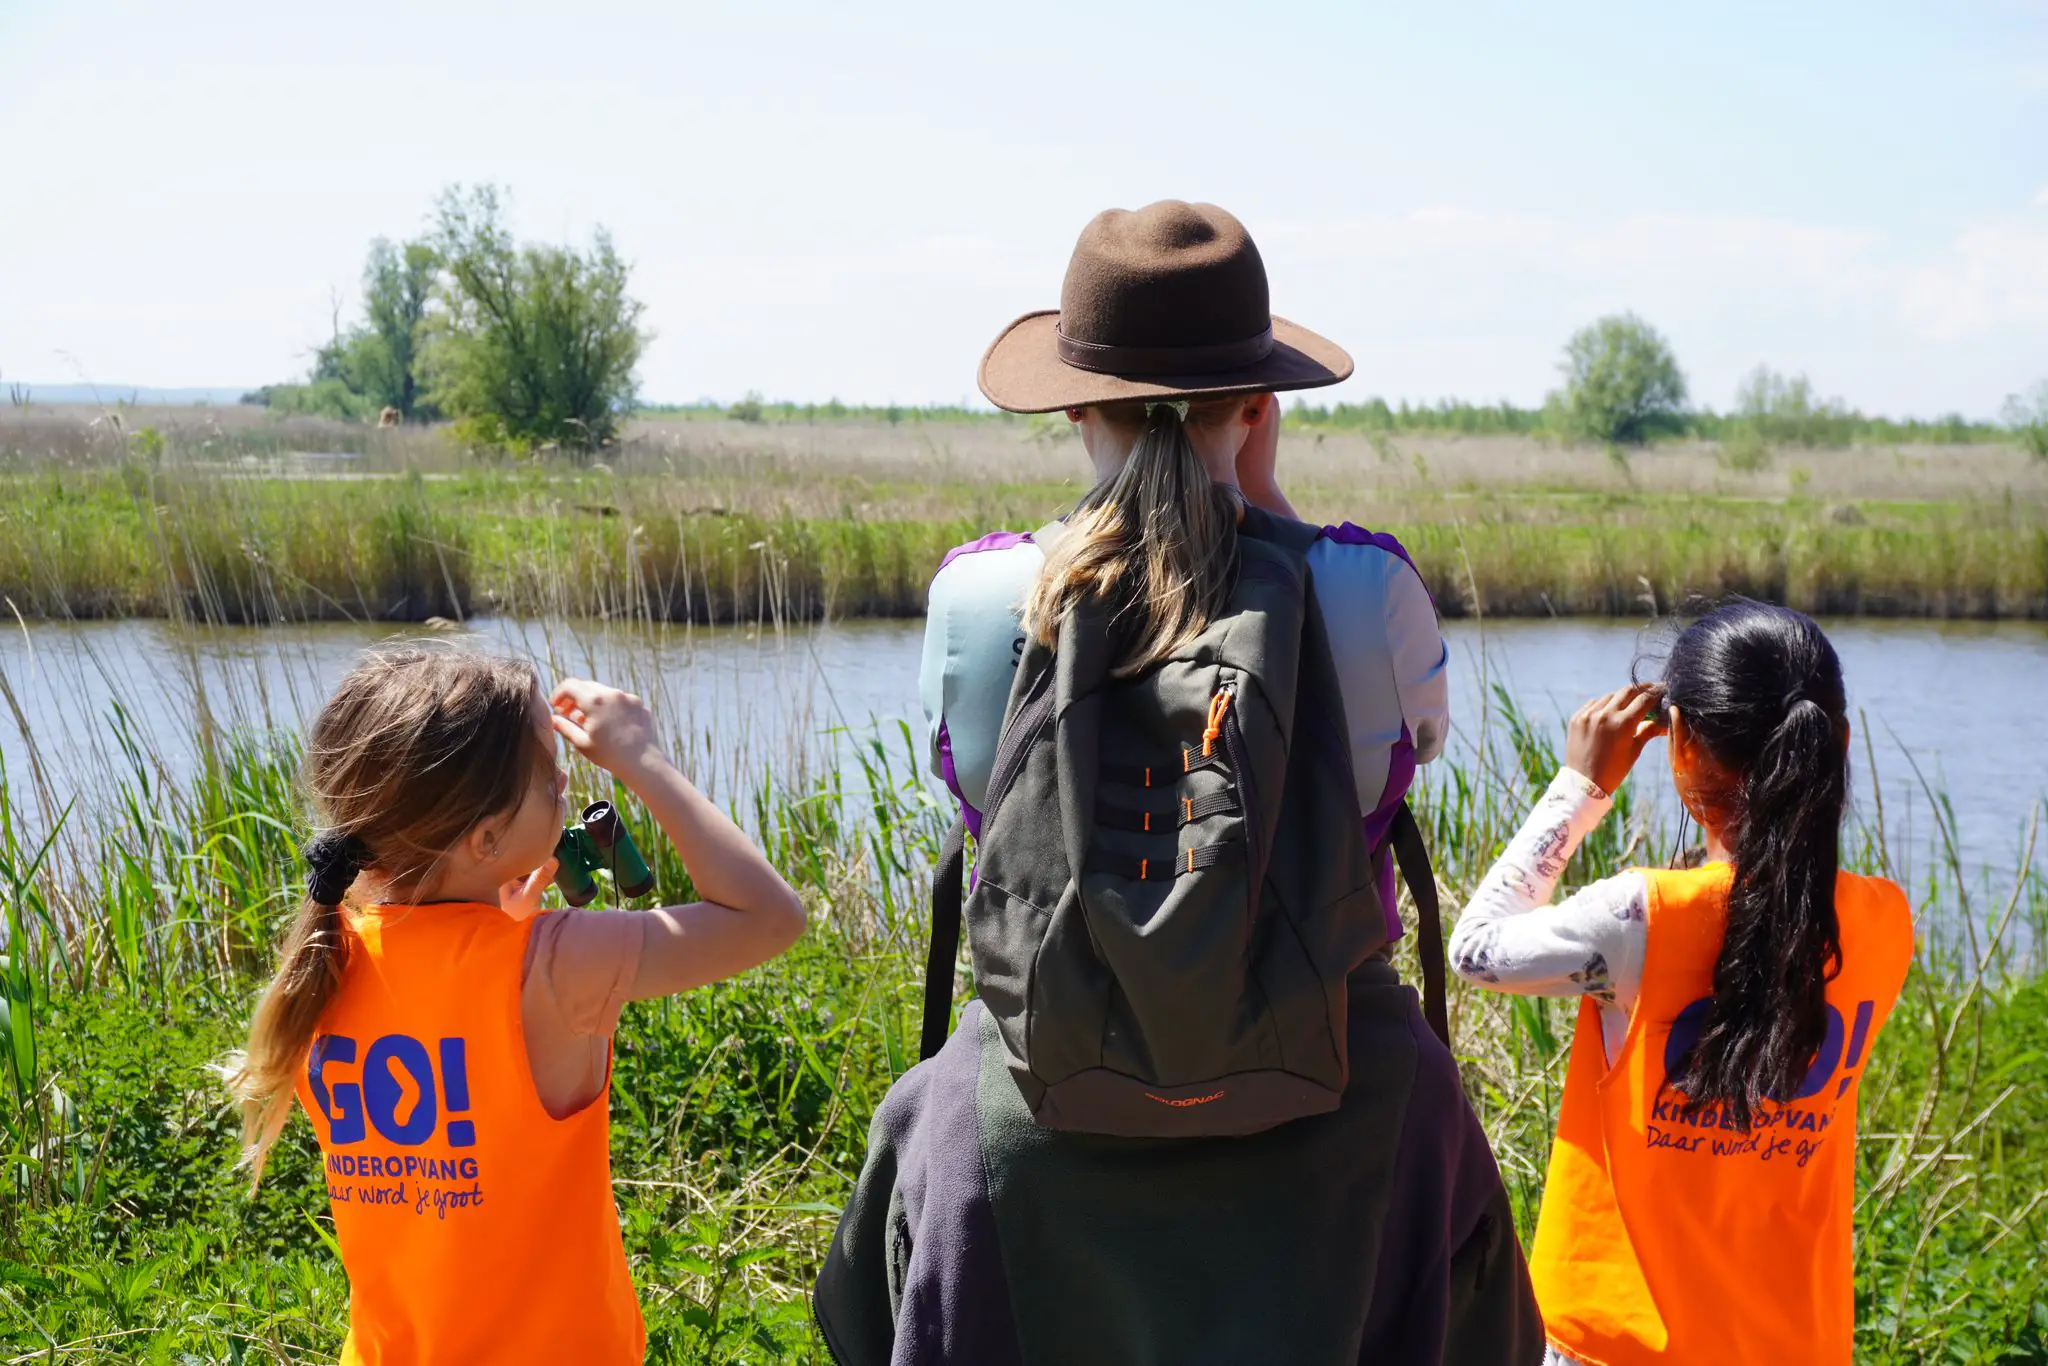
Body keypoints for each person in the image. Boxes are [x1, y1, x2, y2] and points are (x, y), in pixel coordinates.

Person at [815, 201, 1542, 1365]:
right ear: (1259, 404)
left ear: (1074, 406)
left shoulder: (976, 595)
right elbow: (1393, 778)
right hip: (1343, 1084)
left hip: (1034, 1078)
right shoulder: (1367, 586)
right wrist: (1270, 511)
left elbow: (976, 812)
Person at [228, 647, 805, 1364]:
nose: (566, 779)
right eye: (546, 772)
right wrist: (641, 760)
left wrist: (500, 922)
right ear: (486, 837)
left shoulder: (326, 956)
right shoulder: (556, 963)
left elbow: (446, 999)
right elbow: (770, 918)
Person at [1448, 600, 1914, 1365]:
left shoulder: (1643, 917)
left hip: (1621, 1339)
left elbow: (1474, 950)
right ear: (1841, 744)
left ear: (1682, 748)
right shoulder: (1885, 923)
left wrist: (1578, 787)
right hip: (1794, 1341)